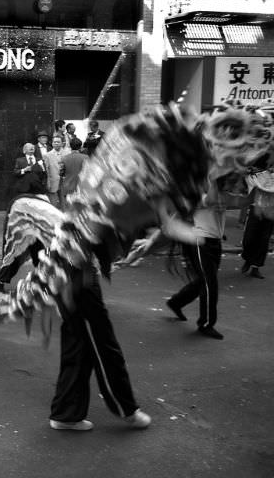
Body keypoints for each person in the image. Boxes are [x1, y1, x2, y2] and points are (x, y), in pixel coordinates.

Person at [49, 259, 151, 431]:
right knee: (102, 344)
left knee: (78, 346)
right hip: (76, 276)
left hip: (66, 273)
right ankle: (126, 408)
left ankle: (66, 413)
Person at [163, 182, 226, 340]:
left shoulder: (218, 194)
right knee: (209, 284)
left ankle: (176, 302)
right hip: (200, 242)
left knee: (202, 282)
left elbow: (240, 201)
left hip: (215, 243)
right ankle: (206, 324)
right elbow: (210, 199)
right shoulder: (196, 197)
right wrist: (217, 173)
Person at [241, 167, 274, 279]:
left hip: (270, 213)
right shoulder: (254, 177)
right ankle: (248, 259)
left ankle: (256, 268)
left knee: (263, 241)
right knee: (248, 239)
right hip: (255, 211)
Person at [60, 137, 88, 208]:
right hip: (81, 188)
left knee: (69, 209)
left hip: (68, 186)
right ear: (80, 147)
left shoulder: (64, 158)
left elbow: (60, 173)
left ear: (70, 146)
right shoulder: (86, 158)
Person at [44, 134, 66, 207]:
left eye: (58, 142)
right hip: (53, 180)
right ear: (52, 143)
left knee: (64, 201)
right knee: (53, 203)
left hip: (64, 181)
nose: (56, 143)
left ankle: (64, 216)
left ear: (62, 143)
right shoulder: (47, 155)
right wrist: (48, 182)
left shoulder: (67, 153)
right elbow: (46, 170)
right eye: (54, 142)